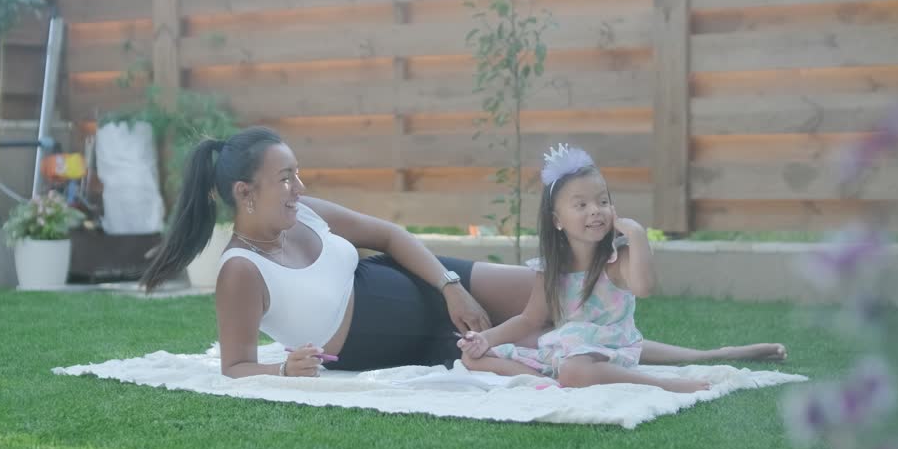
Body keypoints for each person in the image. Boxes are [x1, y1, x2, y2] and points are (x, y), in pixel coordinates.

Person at [140, 127, 785, 379]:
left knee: (554, 288)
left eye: (298, 173)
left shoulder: (308, 212)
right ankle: (691, 367)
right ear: (244, 193)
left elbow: (389, 238)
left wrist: (451, 283)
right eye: (286, 179)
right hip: (386, 338)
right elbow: (235, 366)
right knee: (554, 334)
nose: (299, 188)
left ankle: (713, 356)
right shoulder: (239, 272)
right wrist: (284, 370)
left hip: (425, 284)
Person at [456, 144, 712, 391]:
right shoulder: (552, 267)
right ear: (557, 221)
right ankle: (540, 381)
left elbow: (644, 288)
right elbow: (529, 319)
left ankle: (665, 385)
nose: (595, 211)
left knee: (574, 369)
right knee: (472, 359)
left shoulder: (617, 257)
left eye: (602, 202)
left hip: (610, 348)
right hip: (567, 348)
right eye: (581, 205)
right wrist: (485, 339)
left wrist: (636, 234)